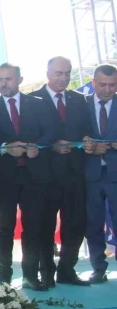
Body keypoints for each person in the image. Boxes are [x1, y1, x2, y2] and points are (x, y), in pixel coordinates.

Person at [0, 63, 54, 291]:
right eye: (0, 79)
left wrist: (37, 147)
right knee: (4, 227)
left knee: (33, 227)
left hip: (34, 176)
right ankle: (4, 279)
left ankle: (30, 276)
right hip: (4, 178)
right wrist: (5, 148)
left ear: (20, 80)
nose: (3, 84)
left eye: (8, 79)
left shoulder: (38, 104)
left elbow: (50, 133)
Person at [30, 57, 90, 286]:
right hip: (45, 174)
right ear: (47, 73)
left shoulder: (79, 99)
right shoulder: (32, 100)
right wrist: (51, 146)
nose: (63, 78)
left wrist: (86, 139)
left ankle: (67, 270)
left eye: (67, 73)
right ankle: (46, 273)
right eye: (58, 73)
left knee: (75, 223)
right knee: (44, 225)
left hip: (75, 173)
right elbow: (30, 136)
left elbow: (86, 130)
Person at [82, 63, 117, 284]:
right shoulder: (80, 105)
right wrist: (88, 145)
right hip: (90, 175)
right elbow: (71, 135)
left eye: (112, 85)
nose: (107, 89)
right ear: (93, 83)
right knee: (93, 224)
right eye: (103, 84)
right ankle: (98, 268)